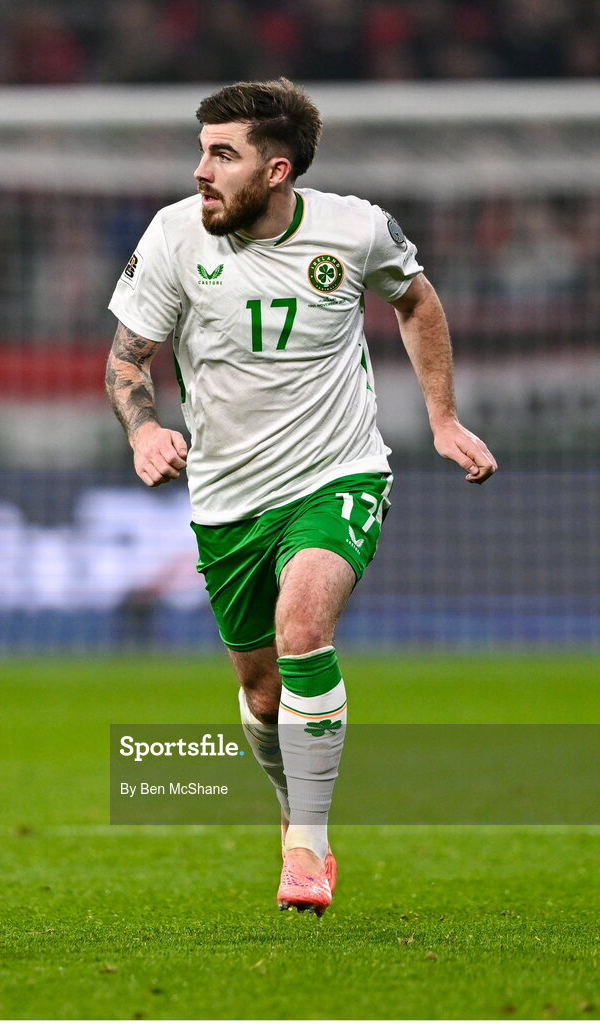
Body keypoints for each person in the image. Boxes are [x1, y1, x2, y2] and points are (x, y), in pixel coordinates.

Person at [104, 78, 497, 914]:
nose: (201, 171)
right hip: (225, 499)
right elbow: (127, 359)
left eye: (222, 155)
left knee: (303, 627)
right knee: (260, 688)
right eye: (201, 151)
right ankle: (293, 814)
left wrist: (442, 418)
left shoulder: (354, 229)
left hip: (337, 472)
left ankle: (308, 851)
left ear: (276, 171)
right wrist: (143, 431)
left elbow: (415, 300)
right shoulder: (175, 237)